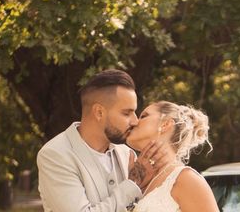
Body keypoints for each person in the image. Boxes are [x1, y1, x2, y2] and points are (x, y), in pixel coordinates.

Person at [37, 69, 169, 212]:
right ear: (99, 112)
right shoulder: (56, 155)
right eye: (126, 113)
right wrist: (133, 183)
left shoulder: (127, 154)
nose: (135, 121)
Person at [125, 101, 219, 212]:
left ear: (165, 124)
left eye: (144, 116)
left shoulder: (186, 179)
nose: (135, 122)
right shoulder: (134, 176)